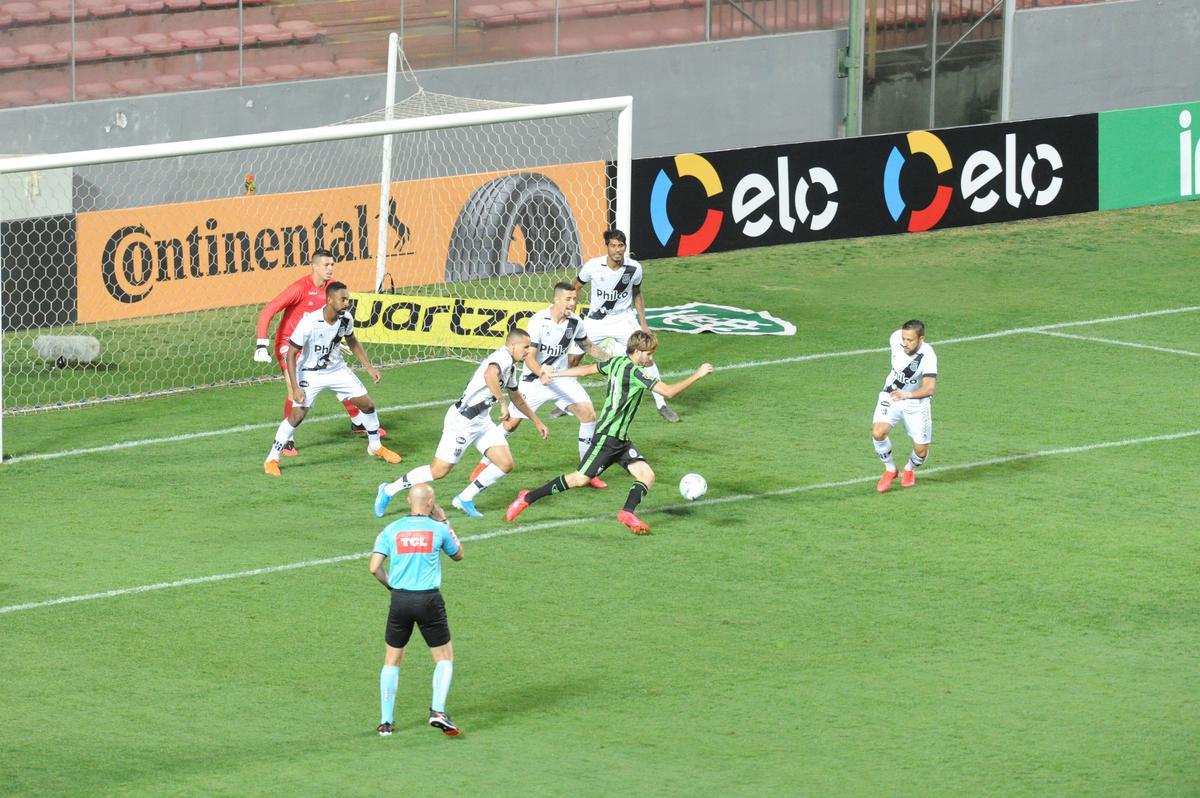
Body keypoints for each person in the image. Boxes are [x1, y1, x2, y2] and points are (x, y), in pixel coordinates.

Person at [506, 330, 713, 534]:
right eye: (649, 354)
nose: (651, 359)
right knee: (579, 479)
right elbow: (668, 392)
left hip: (621, 440)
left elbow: (586, 370)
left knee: (647, 475)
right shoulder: (636, 372)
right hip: (607, 438)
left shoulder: (616, 362)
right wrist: (698, 375)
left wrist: (555, 373)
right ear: (637, 351)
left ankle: (627, 513)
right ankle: (527, 497)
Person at [374, 328, 548, 518]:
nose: (528, 351)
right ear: (513, 345)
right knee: (438, 471)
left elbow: (517, 397)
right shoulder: (502, 357)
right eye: (525, 347)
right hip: (463, 421)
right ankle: (388, 490)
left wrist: (537, 421)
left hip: (482, 421)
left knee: (505, 463)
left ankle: (464, 498)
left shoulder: (511, 367)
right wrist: (502, 403)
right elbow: (489, 375)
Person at [467, 282, 614, 491]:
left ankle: (587, 472)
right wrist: (541, 373)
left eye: (574, 299)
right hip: (534, 380)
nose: (572, 303)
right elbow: (529, 357)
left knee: (588, 414)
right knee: (510, 424)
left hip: (560, 378)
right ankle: (483, 463)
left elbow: (587, 346)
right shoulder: (539, 321)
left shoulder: (576, 322)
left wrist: (612, 360)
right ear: (556, 299)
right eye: (568, 299)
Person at [254, 249, 385, 457]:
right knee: (294, 388)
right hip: (289, 343)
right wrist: (261, 343)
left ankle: (358, 421)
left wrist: (334, 341)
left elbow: (334, 321)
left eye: (332, 264)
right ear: (314, 266)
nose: (330, 268)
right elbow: (269, 309)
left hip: (314, 343)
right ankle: (287, 441)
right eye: (326, 265)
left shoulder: (332, 291)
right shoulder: (300, 288)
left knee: (335, 373)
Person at [263, 281, 401, 475]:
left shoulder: (346, 319)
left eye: (348, 299)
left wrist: (369, 367)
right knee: (297, 416)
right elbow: (292, 354)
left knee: (368, 405)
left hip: (337, 371)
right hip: (310, 372)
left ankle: (375, 446)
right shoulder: (310, 321)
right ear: (329, 300)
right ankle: (271, 459)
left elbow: (352, 340)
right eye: (342, 299)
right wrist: (295, 387)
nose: (347, 303)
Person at [369, 482, 464, 737]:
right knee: (444, 658)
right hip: (429, 600)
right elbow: (458, 555)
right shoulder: (438, 529)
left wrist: (392, 588)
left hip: (400, 601)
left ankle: (386, 723)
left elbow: (374, 568)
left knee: (392, 660)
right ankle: (438, 711)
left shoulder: (390, 529)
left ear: (409, 501)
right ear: (431, 504)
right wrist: (444, 521)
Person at [574, 229, 679, 423]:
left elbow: (637, 293)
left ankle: (661, 404)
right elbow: (577, 286)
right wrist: (572, 315)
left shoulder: (634, 268)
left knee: (646, 357)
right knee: (574, 358)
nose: (617, 250)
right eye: (613, 245)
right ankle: (565, 402)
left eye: (621, 246)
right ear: (607, 247)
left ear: (625, 247)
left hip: (624, 320)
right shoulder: (593, 266)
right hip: (596, 320)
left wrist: (644, 325)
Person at [872, 319, 938, 493]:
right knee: (878, 432)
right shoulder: (896, 338)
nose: (905, 343)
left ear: (921, 339)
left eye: (910, 340)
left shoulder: (928, 355)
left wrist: (906, 395)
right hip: (892, 394)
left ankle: (909, 468)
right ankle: (890, 470)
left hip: (916, 403)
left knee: (921, 451)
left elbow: (929, 388)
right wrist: (900, 394)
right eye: (904, 338)